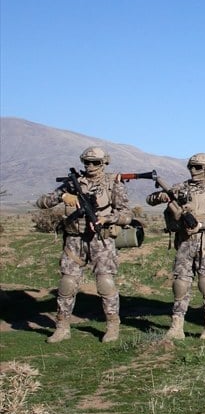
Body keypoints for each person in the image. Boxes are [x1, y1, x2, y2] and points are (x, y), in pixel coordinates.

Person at [37, 146, 133, 343]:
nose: (90, 166)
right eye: (86, 162)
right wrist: (63, 196)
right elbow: (42, 202)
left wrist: (107, 219)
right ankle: (62, 327)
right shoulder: (72, 184)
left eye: (95, 163)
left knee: (105, 284)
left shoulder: (113, 185)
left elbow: (127, 215)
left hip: (102, 240)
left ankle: (112, 326)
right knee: (67, 283)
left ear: (104, 163)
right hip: (74, 241)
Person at [146, 153, 205, 340]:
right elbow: (149, 200)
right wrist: (160, 197)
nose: (194, 171)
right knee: (180, 283)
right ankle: (176, 325)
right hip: (184, 242)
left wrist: (201, 225)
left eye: (198, 167)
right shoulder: (180, 188)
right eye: (191, 167)